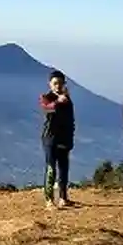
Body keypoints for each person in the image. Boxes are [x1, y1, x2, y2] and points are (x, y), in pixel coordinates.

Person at [39, 70, 76, 209]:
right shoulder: (46, 97)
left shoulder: (68, 100)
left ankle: (63, 198)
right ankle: (49, 199)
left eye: (60, 83)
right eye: (55, 83)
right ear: (50, 84)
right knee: (51, 168)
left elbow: (71, 120)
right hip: (50, 138)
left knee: (64, 168)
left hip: (64, 138)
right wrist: (57, 102)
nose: (58, 86)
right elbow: (46, 108)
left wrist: (70, 138)